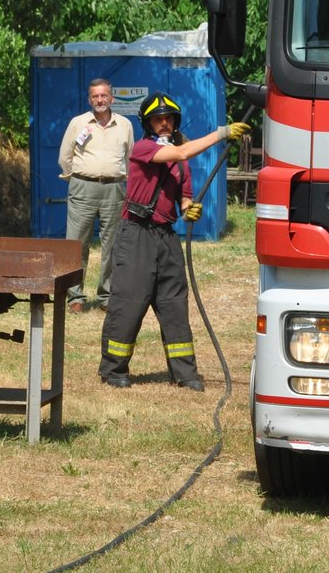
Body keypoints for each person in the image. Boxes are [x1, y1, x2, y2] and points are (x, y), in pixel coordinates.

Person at [98, 94, 249, 390]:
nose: (164, 123)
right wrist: (221, 134)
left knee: (173, 305)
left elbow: (184, 194)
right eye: (158, 119)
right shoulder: (144, 148)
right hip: (136, 234)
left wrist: (188, 208)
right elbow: (180, 154)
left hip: (166, 236)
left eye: (168, 118)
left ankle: (185, 373)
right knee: (129, 302)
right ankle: (113, 370)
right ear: (148, 124)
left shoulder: (182, 164)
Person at [57, 78, 133, 313]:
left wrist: (123, 182)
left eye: (104, 96)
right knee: (76, 243)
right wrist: (78, 179)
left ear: (112, 98)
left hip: (114, 189)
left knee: (113, 244)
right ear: (89, 99)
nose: (100, 100)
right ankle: (75, 298)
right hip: (83, 188)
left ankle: (106, 297)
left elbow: (130, 158)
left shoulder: (125, 125)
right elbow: (64, 157)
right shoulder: (78, 123)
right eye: (95, 96)